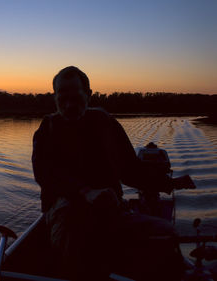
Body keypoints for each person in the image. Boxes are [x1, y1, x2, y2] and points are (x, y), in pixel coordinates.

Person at [32, 66, 193, 280]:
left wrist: (169, 184)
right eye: (63, 97)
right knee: (79, 242)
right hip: (67, 216)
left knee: (166, 233)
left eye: (76, 97)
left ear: (88, 95)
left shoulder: (106, 124)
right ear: (55, 98)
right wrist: (85, 191)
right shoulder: (47, 130)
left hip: (111, 213)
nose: (70, 104)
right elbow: (45, 175)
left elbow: (131, 170)